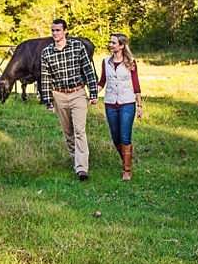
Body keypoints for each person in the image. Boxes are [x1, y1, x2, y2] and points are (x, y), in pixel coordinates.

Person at [40, 19, 99, 181]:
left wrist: (93, 93)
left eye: (58, 30)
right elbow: (46, 79)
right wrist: (48, 101)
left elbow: (88, 70)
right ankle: (76, 161)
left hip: (78, 92)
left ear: (65, 31)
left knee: (80, 130)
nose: (55, 33)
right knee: (68, 132)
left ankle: (82, 168)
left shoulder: (77, 47)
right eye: (53, 30)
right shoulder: (46, 53)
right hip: (59, 94)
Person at [99, 33, 143, 180]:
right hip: (110, 103)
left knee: (125, 137)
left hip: (127, 103)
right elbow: (102, 82)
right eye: (110, 42)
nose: (110, 45)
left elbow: (135, 84)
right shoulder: (105, 62)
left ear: (122, 46)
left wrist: (140, 105)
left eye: (114, 43)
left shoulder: (131, 62)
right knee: (115, 138)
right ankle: (125, 160)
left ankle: (127, 171)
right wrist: (92, 92)